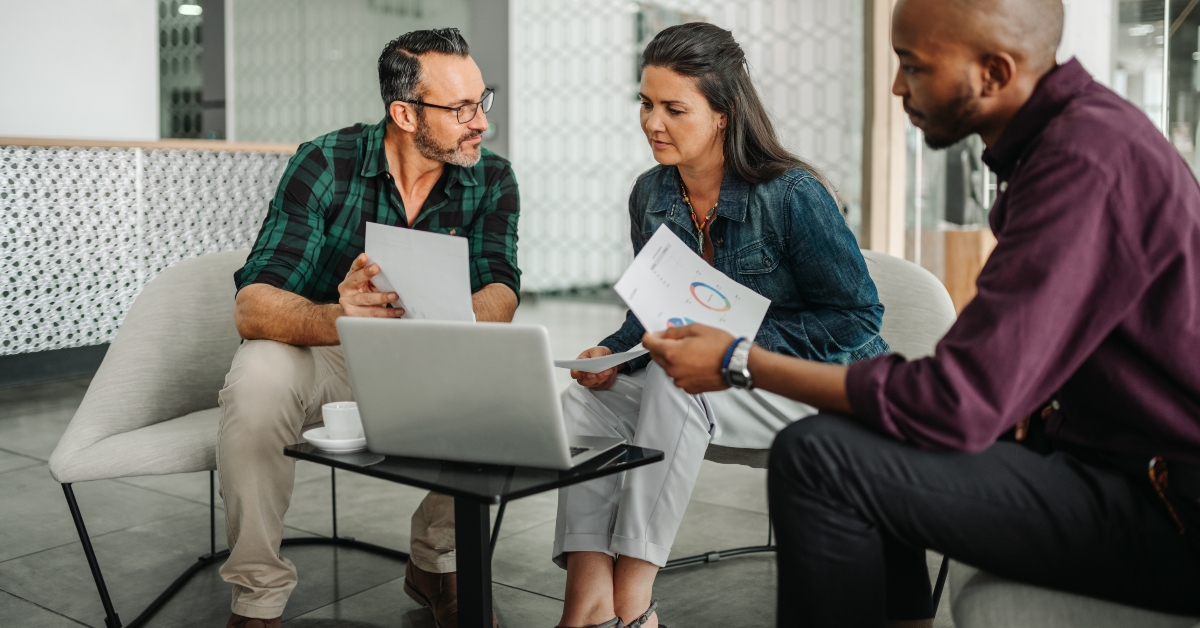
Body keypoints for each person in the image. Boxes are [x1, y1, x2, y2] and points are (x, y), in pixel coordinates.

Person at [642, 0, 1200, 626]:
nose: (896, 86)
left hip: (1168, 506)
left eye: (914, 66)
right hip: (1111, 463)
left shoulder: (1084, 162)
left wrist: (738, 360)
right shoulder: (1070, 141)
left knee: (818, 459)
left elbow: (956, 402)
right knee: (865, 433)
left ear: (993, 73)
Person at [553, 23, 890, 628]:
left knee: (677, 383)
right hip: (719, 382)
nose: (652, 122)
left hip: (808, 386)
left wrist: (734, 348)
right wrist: (612, 350)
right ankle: (587, 603)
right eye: (646, 103)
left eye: (674, 109)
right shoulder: (651, 194)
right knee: (583, 405)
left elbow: (857, 318)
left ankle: (634, 605)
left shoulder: (792, 194)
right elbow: (655, 310)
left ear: (723, 115)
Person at [219, 28, 519, 628]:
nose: (480, 122)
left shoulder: (492, 178)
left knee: (495, 381)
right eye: (460, 109)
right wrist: (340, 314)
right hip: (329, 351)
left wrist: (437, 318)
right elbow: (252, 306)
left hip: (428, 353)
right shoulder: (325, 162)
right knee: (257, 375)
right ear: (404, 113)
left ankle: (436, 563)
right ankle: (258, 596)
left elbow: (502, 291)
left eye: (481, 101)